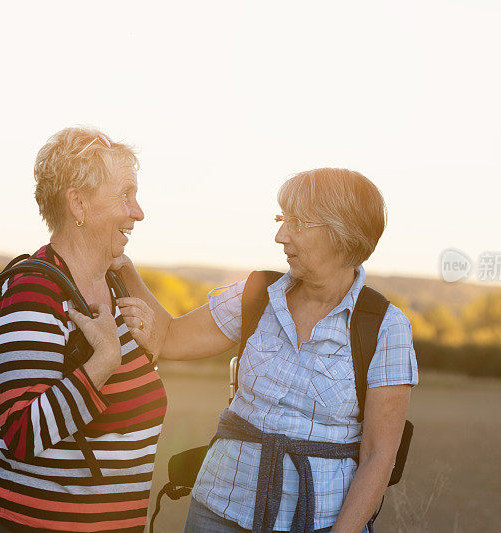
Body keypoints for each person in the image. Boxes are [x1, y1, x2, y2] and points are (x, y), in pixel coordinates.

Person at [113, 168, 418, 532]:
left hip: (319, 523)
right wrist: (125, 269)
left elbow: (377, 456)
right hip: (218, 511)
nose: (280, 235)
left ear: (340, 233)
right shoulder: (256, 294)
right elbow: (169, 338)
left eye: (297, 223)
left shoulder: (386, 326)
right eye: (281, 219)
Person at [0, 127, 166, 532]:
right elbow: (21, 434)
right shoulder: (33, 295)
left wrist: (146, 356)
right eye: (125, 194)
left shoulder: (112, 286)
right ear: (79, 203)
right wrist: (106, 361)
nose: (138, 211)